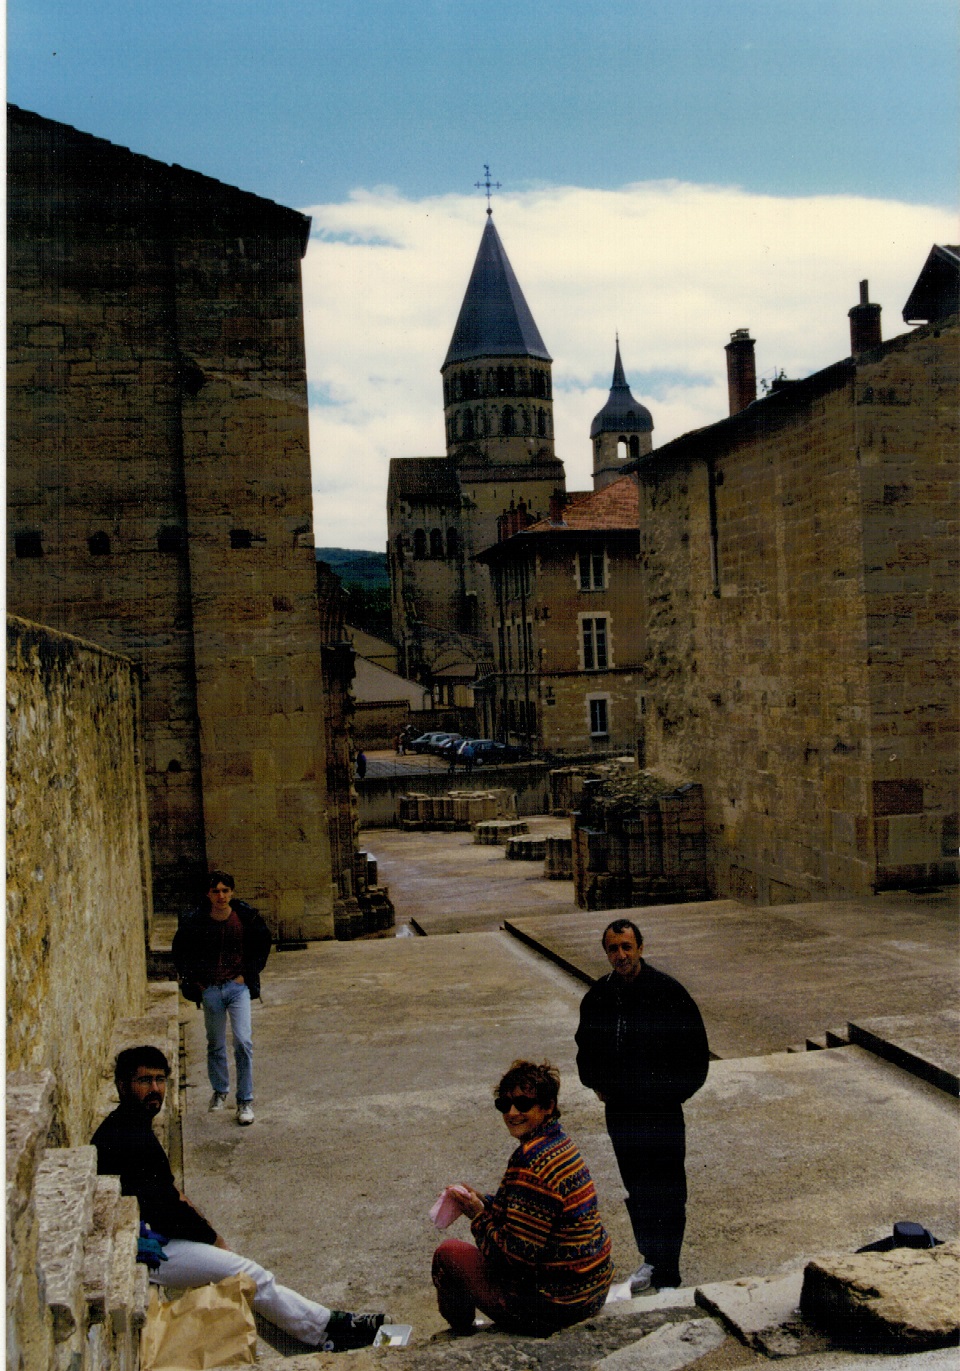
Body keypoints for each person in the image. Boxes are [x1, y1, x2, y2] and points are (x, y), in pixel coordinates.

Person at [92, 1046, 387, 1352]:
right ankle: (327, 1327)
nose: (155, 1089)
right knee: (247, 1274)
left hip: (150, 1235)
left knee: (239, 1283)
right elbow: (168, 1210)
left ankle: (307, 1341)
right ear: (122, 1086)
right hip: (143, 1248)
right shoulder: (129, 1135)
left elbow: (169, 1195)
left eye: (159, 1080)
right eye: (144, 1081)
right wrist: (214, 1239)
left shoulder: (132, 1124)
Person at [576, 919, 709, 1294]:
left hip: (661, 1113)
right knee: (638, 1187)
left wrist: (671, 1094)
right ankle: (651, 1258)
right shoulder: (599, 996)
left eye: (626, 947)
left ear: (640, 948)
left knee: (668, 1190)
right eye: (613, 949)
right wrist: (596, 1083)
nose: (620, 955)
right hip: (622, 1113)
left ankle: (669, 1273)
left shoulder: (668, 992)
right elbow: (585, 1048)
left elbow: (696, 1054)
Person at [432, 1059, 612, 1337]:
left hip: (556, 1308)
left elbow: (513, 1259)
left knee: (449, 1255)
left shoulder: (531, 1162)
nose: (512, 1113)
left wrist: (478, 1217)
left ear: (548, 1106)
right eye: (505, 1105)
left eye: (523, 1104)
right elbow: (528, 1210)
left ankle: (461, 1333)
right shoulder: (559, 1143)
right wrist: (482, 1201)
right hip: (592, 1292)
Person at [172, 870, 272, 1126]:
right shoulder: (196, 920)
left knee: (243, 1041)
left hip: (237, 988)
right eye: (215, 891)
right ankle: (220, 1090)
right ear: (208, 894)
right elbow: (180, 951)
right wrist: (197, 983)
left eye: (225, 890)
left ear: (232, 892)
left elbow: (262, 944)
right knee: (215, 1043)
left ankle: (245, 1100)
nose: (221, 896)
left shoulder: (245, 917)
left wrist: (247, 975)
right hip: (211, 990)